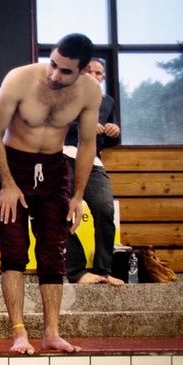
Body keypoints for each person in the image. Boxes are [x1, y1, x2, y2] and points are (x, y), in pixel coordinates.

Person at [0, 33, 102, 354]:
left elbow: (87, 144)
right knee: (14, 253)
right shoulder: (21, 79)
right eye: (53, 64)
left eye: (66, 71)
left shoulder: (90, 91)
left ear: (81, 71)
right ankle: (19, 334)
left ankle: (51, 333)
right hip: (14, 166)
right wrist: (8, 183)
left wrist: (78, 195)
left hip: (53, 170)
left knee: (53, 254)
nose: (55, 75)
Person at [64, 57, 123, 286]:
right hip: (62, 154)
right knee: (61, 211)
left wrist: (113, 131)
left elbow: (109, 142)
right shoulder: (65, 95)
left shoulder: (107, 101)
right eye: (88, 70)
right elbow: (54, 126)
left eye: (98, 73)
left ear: (103, 77)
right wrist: (83, 126)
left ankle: (103, 270)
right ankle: (76, 270)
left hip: (92, 161)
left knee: (105, 210)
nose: (93, 75)